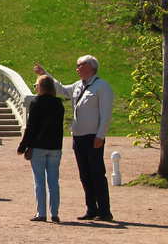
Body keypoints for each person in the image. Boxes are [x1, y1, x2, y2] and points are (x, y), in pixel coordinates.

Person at [34, 56, 115, 221]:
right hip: (78, 137)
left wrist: (101, 135)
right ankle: (91, 208)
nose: (77, 69)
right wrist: (45, 74)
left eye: (79, 66)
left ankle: (104, 210)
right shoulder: (78, 86)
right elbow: (61, 89)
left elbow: (106, 114)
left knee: (97, 174)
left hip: (93, 136)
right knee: (85, 175)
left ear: (89, 66)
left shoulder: (102, 86)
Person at [18, 75, 65, 222]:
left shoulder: (36, 102)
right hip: (55, 146)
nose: (35, 87)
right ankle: (55, 213)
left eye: (36, 85)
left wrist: (23, 146)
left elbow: (31, 127)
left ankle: (41, 213)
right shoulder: (59, 103)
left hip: (38, 146)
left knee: (39, 181)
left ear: (41, 87)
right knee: (53, 181)